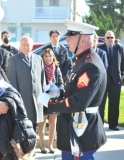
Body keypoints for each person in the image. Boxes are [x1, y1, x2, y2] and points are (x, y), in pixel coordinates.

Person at [44, 19, 107, 160]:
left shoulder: (90, 65)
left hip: (82, 132)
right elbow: (75, 91)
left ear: (83, 40)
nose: (67, 39)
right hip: (74, 128)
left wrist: (50, 102)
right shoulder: (81, 61)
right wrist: (59, 92)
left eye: (71, 36)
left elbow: (79, 102)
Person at [6, 36, 46, 131]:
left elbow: (42, 79)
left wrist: (43, 96)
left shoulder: (38, 59)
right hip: (23, 101)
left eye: (28, 45)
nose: (25, 47)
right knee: (23, 131)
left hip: (36, 101)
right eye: (23, 45)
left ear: (32, 46)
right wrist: (16, 101)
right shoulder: (13, 60)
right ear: (20, 46)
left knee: (33, 130)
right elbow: (12, 82)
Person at [38, 48, 64, 154]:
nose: (48, 58)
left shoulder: (56, 68)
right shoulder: (40, 68)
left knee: (53, 122)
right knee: (42, 122)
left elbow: (61, 82)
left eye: (50, 56)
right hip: (43, 99)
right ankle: (42, 146)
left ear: (53, 57)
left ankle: (50, 146)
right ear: (42, 57)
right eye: (46, 56)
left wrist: (59, 91)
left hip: (54, 99)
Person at [99, 30, 124, 131]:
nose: (110, 39)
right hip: (103, 81)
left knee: (114, 104)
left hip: (116, 81)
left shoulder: (120, 48)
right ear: (104, 39)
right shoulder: (100, 49)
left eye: (112, 37)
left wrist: (121, 77)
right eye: (108, 37)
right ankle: (99, 125)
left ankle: (113, 125)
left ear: (115, 39)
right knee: (101, 103)